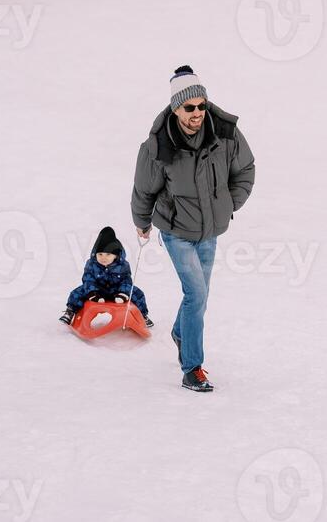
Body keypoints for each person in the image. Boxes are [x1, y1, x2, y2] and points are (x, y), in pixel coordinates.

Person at [131, 65, 255, 392]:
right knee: (196, 293)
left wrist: (228, 204)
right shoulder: (158, 146)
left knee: (200, 295)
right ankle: (192, 368)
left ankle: (181, 333)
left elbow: (245, 169)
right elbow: (144, 189)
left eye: (201, 105)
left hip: (210, 231)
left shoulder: (224, 134)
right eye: (189, 107)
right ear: (176, 108)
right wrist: (142, 223)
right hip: (176, 231)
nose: (197, 113)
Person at [60, 226, 153, 328]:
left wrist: (123, 293)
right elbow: (88, 279)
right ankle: (70, 311)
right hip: (98, 291)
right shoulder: (92, 264)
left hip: (117, 291)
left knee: (137, 293)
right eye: (100, 254)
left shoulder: (122, 265)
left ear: (116, 255)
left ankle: (143, 316)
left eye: (108, 254)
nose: (103, 258)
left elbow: (126, 281)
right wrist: (93, 292)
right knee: (77, 292)